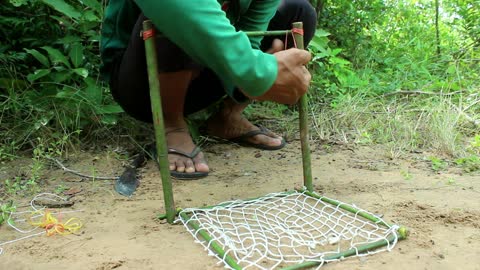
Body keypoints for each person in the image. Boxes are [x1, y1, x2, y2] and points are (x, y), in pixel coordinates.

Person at [100, 0, 317, 179]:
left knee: (299, 10)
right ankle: (172, 125)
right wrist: (257, 71)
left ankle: (228, 116)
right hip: (141, 81)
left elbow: (250, 39)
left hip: (208, 69)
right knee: (181, 12)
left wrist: (252, 77)